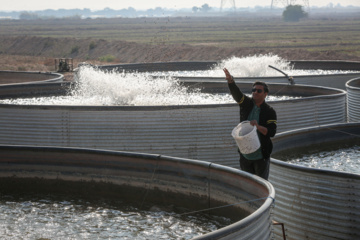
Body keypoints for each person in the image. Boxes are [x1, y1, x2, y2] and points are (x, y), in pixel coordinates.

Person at [223, 68, 277, 180]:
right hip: (245, 154)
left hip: (261, 155)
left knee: (261, 183)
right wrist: (230, 81)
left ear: (265, 94)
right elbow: (237, 94)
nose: (255, 92)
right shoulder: (246, 104)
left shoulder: (269, 111)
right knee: (248, 183)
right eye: (253, 90)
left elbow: (271, 132)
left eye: (259, 91)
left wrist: (258, 127)